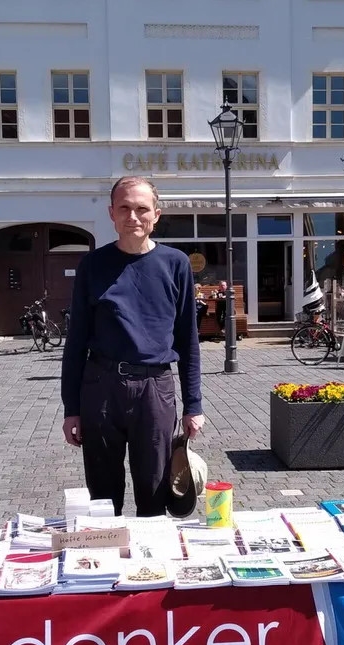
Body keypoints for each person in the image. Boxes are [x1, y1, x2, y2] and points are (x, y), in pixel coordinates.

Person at [61, 176, 205, 517]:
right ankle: (107, 560)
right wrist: (72, 409)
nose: (133, 216)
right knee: (103, 493)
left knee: (155, 489)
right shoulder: (92, 266)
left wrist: (193, 404)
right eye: (124, 208)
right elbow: (76, 341)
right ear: (112, 213)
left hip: (155, 389)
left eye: (142, 209)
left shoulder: (175, 264)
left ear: (156, 214)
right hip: (101, 388)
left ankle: (151, 565)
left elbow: (188, 340)